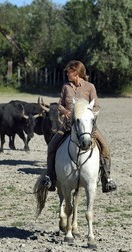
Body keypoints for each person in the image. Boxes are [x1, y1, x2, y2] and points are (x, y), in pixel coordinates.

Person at [42, 60, 117, 193]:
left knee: (105, 148)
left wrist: (87, 113)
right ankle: (50, 178)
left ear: (76, 72)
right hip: (68, 125)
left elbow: (97, 106)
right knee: (52, 146)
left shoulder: (90, 87)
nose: (67, 74)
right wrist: (65, 111)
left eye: (69, 72)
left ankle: (107, 179)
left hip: (86, 127)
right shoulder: (66, 87)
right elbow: (60, 105)